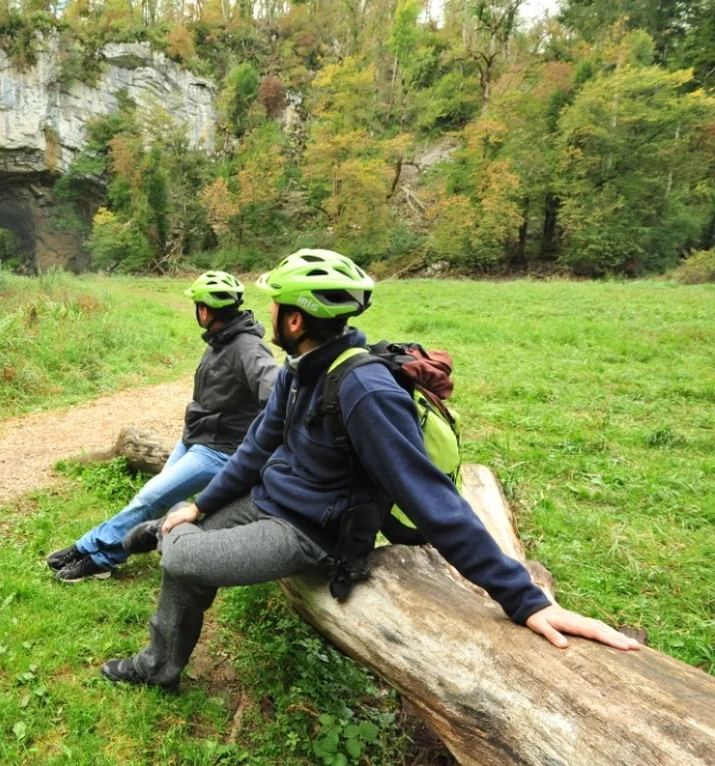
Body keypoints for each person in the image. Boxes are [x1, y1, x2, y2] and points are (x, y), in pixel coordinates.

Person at [100, 249, 640, 688]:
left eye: (273, 307)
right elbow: (254, 450)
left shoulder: (364, 390)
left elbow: (433, 500)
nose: (266, 317)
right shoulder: (296, 371)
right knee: (184, 529)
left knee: (180, 551)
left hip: (309, 533)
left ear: (295, 318)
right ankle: (158, 666)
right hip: (270, 501)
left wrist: (523, 598)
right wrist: (199, 504)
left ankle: (160, 536)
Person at [47, 271, 279, 583]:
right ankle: (104, 551)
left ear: (205, 310)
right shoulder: (220, 339)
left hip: (220, 451)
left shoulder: (247, 347)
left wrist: (257, 443)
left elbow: (275, 391)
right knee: (155, 498)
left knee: (150, 499)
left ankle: (92, 553)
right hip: (197, 439)